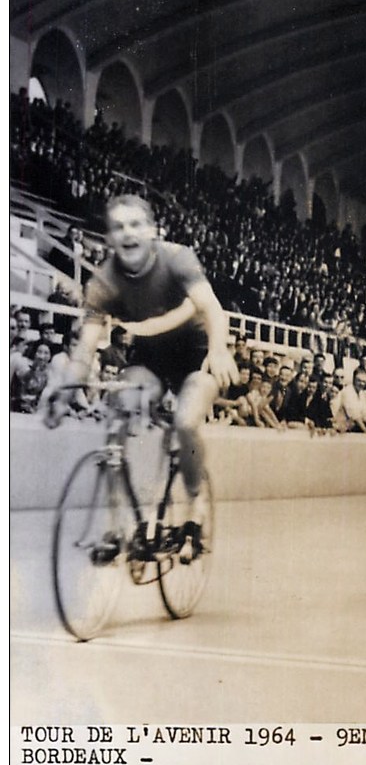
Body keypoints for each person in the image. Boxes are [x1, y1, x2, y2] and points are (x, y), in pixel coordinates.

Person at [45, 194, 238, 524]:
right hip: (149, 357)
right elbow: (85, 349)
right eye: (119, 227)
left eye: (135, 224)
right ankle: (115, 521)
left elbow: (214, 310)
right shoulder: (103, 282)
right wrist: (65, 387)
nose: (128, 233)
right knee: (118, 408)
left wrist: (219, 350)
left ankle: (194, 500)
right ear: (110, 238)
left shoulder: (177, 258)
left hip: (194, 352)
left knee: (186, 423)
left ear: (152, 231)